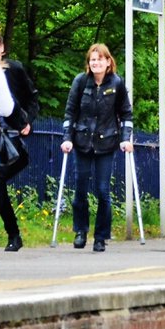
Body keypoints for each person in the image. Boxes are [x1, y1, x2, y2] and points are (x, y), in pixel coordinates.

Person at [60, 43, 133, 252]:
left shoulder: (117, 83)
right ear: (88, 62)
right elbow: (70, 112)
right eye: (92, 60)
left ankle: (101, 236)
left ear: (108, 62)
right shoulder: (81, 82)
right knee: (80, 187)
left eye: (100, 59)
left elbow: (126, 114)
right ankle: (80, 231)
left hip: (106, 142)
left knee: (103, 190)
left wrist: (126, 138)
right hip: (82, 141)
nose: (96, 63)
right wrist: (67, 137)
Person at [0, 32, 38, 254]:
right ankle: (12, 234)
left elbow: (32, 97)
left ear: (2, 48)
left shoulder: (13, 69)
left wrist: (27, 121)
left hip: (12, 142)